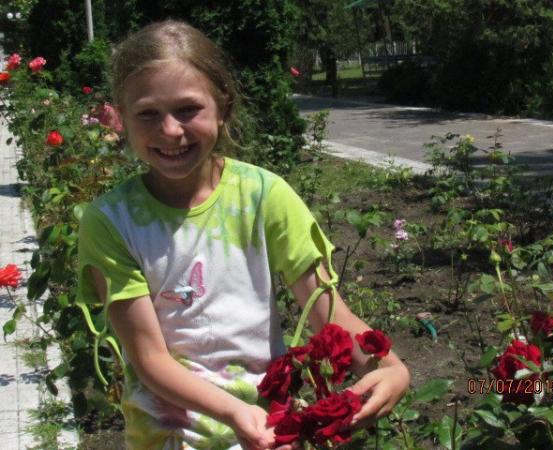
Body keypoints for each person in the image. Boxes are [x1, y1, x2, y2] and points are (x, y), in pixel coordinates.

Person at [76, 20, 410, 450]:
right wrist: (234, 412)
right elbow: (149, 358)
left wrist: (390, 367)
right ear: (121, 118)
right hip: (168, 435)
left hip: (270, 430)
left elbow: (330, 316)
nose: (171, 131)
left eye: (188, 109)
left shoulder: (264, 197)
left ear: (223, 107)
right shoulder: (111, 220)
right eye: (148, 114)